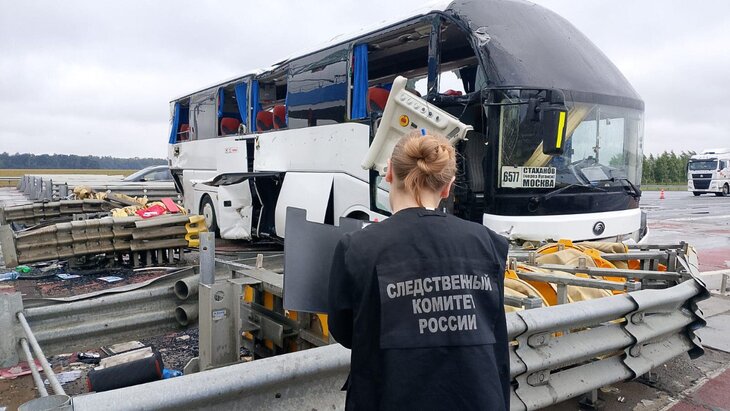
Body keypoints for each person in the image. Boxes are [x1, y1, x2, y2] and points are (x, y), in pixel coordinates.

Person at [328, 131, 510, 410]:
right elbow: (492, 326)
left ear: (389, 172)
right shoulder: (489, 243)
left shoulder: (357, 247)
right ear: (447, 186)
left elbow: (344, 332)